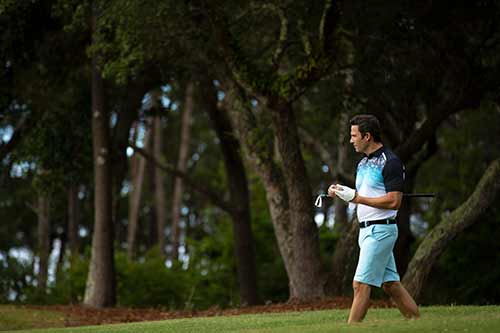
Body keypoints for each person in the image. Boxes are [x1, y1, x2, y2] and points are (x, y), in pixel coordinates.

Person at [328, 114, 419, 323]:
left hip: (381, 231)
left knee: (360, 284)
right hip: (366, 231)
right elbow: (363, 198)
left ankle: (351, 329)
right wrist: (343, 193)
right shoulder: (362, 164)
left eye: (354, 135)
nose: (351, 140)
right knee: (391, 285)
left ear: (367, 136)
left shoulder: (391, 162)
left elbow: (394, 201)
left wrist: (357, 197)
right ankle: (417, 322)